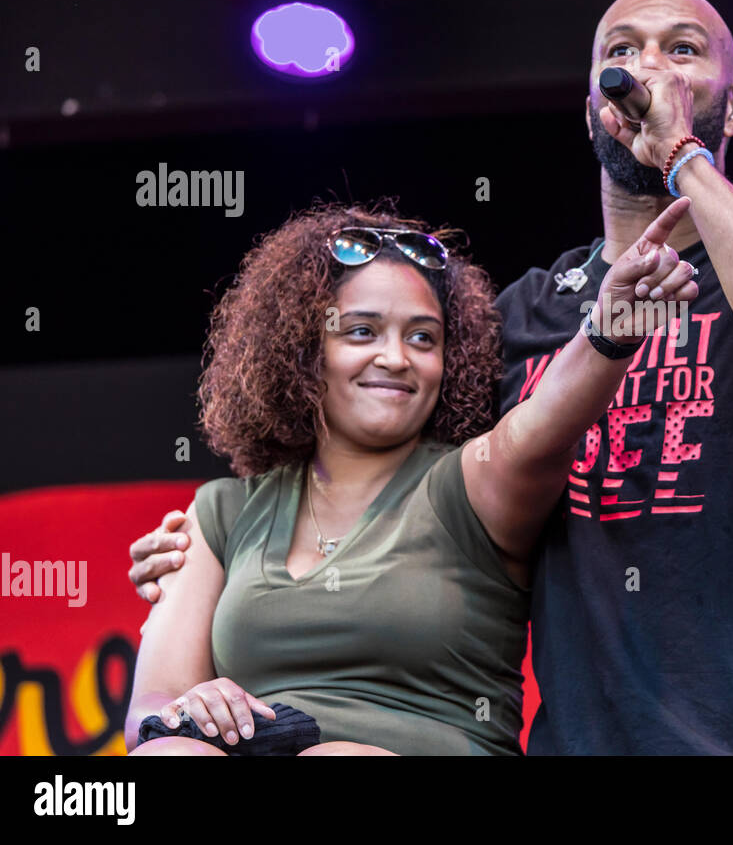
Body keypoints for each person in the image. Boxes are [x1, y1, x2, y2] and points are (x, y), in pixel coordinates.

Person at [131, 0, 733, 754]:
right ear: (591, 103)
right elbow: (387, 463)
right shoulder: (524, 314)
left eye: (683, 50)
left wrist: (684, 160)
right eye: (621, 51)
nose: (647, 70)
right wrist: (205, 545)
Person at [124, 195, 698, 755]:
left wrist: (609, 330)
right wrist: (190, 708)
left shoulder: (465, 485)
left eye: (423, 337)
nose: (396, 358)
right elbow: (151, 710)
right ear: (303, 349)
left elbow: (542, 425)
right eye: (362, 332)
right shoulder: (222, 512)